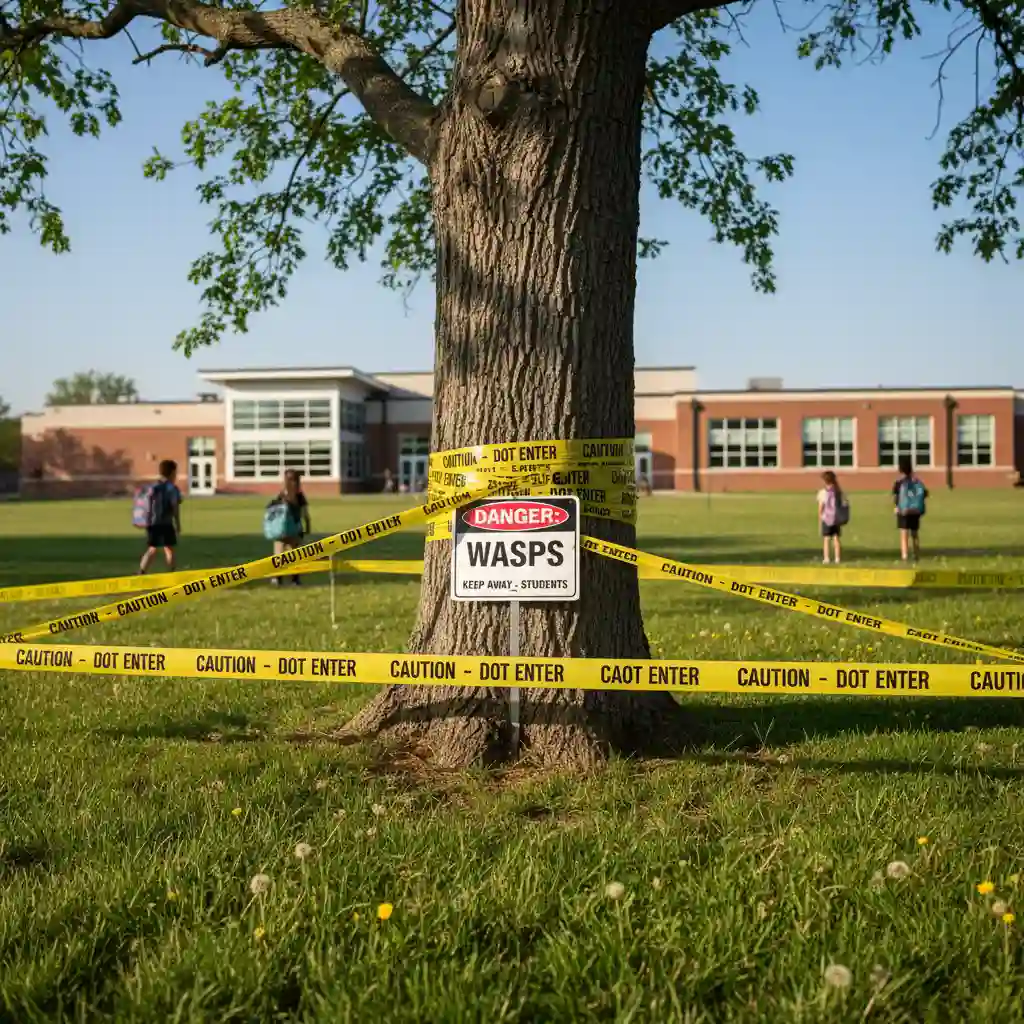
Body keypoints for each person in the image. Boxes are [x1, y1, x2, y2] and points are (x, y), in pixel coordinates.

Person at [139, 459, 182, 574]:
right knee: (169, 549)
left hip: (152, 523)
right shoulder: (172, 489)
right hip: (166, 523)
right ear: (172, 473)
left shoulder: (152, 487)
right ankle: (172, 573)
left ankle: (141, 572)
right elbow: (175, 507)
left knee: (152, 549)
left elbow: (145, 504)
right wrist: (177, 524)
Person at [270, 469, 311, 586]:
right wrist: (307, 527)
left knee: (278, 554)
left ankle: (277, 578)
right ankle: (295, 579)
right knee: (294, 555)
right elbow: (305, 514)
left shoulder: (281, 495)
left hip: (280, 528)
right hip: (295, 528)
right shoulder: (299, 496)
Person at [893, 456, 928, 561]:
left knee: (904, 534)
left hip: (903, 511)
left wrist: (896, 507)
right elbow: (925, 493)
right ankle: (916, 554)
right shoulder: (917, 482)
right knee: (915, 534)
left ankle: (905, 555)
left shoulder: (899, 483)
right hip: (915, 511)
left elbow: (896, 497)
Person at [816, 470, 847, 564]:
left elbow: (821, 507)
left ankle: (826, 558)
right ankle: (837, 558)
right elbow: (844, 503)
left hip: (826, 518)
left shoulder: (823, 492)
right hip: (836, 518)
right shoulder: (838, 492)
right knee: (836, 538)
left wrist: (819, 519)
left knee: (826, 539)